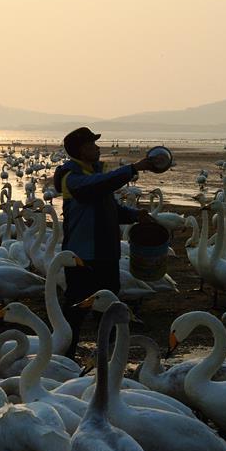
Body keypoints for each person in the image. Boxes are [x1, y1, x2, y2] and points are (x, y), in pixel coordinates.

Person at [53, 127, 162, 359]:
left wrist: (135, 215)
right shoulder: (72, 179)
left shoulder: (93, 176)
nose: (98, 148)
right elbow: (96, 186)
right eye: (93, 145)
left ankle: (109, 361)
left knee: (110, 310)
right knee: (75, 311)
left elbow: (109, 208)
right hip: (83, 257)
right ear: (81, 150)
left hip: (106, 254)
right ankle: (64, 360)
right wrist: (134, 168)